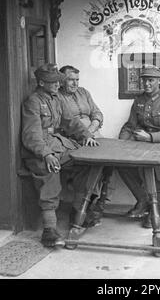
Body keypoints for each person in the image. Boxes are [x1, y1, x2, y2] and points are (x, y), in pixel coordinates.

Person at [21, 63, 98, 248]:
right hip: (38, 151)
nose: (57, 85)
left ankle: (79, 211)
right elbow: (31, 135)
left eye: (58, 81)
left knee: (86, 164)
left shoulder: (56, 99)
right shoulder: (33, 101)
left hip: (58, 144)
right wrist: (46, 154)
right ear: (41, 83)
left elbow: (71, 121)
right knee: (50, 170)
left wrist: (87, 136)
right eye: (52, 82)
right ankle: (49, 231)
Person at [118, 65, 160, 228]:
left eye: (151, 80)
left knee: (152, 168)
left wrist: (150, 137)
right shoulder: (139, 100)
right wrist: (121, 143)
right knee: (121, 164)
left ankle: (158, 210)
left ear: (159, 81)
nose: (147, 84)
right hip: (141, 144)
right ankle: (143, 200)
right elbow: (130, 126)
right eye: (144, 80)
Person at [58, 65, 110, 227]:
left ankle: (93, 202)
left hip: (93, 134)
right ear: (61, 81)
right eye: (71, 80)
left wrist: (91, 130)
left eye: (77, 80)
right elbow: (65, 124)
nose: (75, 84)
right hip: (73, 138)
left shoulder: (84, 92)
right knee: (92, 163)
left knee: (109, 160)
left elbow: (97, 113)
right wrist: (84, 135)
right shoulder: (57, 97)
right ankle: (82, 206)